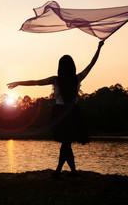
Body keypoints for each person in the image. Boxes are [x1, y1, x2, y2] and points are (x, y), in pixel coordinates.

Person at [7, 40, 104, 178]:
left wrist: (19, 83)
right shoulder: (77, 78)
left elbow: (36, 83)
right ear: (72, 67)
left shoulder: (56, 79)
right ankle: (72, 171)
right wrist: (99, 48)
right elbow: (91, 64)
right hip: (72, 113)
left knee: (66, 143)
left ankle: (59, 170)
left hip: (60, 113)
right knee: (66, 143)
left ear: (60, 67)